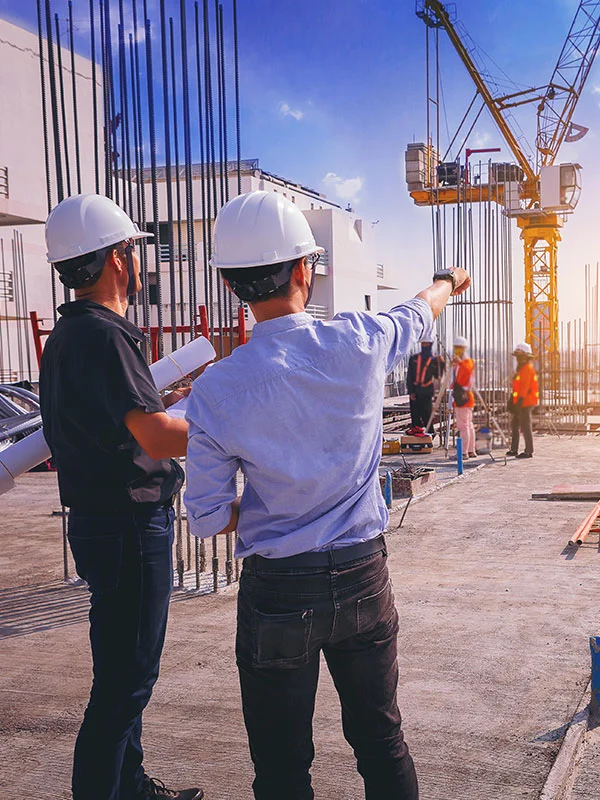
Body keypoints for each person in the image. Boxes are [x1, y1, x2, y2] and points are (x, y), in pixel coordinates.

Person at [184, 190, 471, 800]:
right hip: (364, 574)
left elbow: (207, 519)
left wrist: (272, 509)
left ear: (233, 282)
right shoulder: (359, 341)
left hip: (279, 591)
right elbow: (423, 308)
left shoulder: (215, 388)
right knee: (381, 741)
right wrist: (449, 278)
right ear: (300, 271)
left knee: (283, 769)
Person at [39, 194, 203, 800]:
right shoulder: (110, 337)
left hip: (98, 524)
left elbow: (111, 423)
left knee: (121, 668)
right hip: (132, 526)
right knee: (126, 683)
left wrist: (179, 399)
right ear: (116, 258)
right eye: (132, 250)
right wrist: (224, 415)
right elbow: (157, 438)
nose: (136, 263)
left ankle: (129, 787)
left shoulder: (66, 338)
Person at [506, 342, 539, 459]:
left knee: (525, 425)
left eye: (520, 356)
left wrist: (519, 402)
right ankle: (514, 449)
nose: (518, 358)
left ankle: (529, 451)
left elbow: (524, 388)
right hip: (520, 401)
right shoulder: (521, 369)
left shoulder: (526, 369)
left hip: (526, 402)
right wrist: (512, 400)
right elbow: (517, 388)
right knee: (515, 424)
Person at [406, 339, 445, 433]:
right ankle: (416, 433)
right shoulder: (414, 358)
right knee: (415, 415)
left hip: (426, 391)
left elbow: (437, 376)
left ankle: (430, 433)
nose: (424, 346)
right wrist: (411, 392)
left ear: (430, 345)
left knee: (427, 415)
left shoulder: (433, 360)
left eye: (426, 344)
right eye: (423, 343)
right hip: (415, 391)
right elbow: (410, 376)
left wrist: (442, 364)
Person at [451, 336, 477, 459]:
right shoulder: (462, 363)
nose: (457, 350)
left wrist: (458, 363)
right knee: (468, 425)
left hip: (463, 397)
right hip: (465, 397)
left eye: (459, 348)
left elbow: (463, 377)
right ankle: (470, 450)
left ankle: (463, 453)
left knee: (463, 426)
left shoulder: (466, 362)